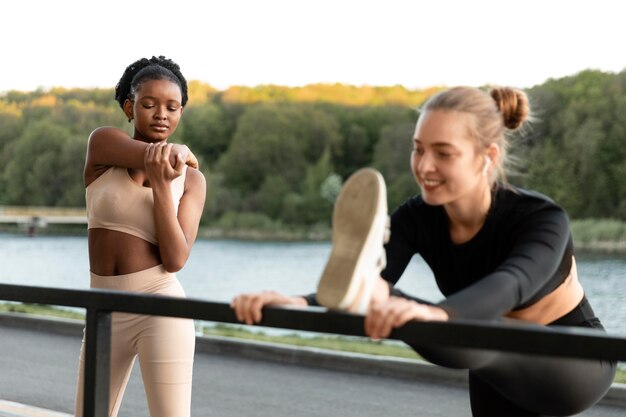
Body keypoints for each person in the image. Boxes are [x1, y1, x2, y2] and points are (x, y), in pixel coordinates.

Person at [231, 86, 616, 416]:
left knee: (425, 317)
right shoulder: (417, 217)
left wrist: (435, 313)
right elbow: (366, 283)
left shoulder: (541, 218)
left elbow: (511, 283)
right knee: (388, 299)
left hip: (573, 356)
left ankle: (411, 311)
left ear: (489, 157)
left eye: (444, 153)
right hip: (480, 348)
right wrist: (296, 302)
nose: (425, 166)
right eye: (418, 150)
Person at [74, 56, 206, 417]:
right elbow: (151, 157)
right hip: (103, 310)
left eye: (172, 107)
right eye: (149, 105)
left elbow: (176, 259)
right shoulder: (103, 146)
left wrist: (165, 188)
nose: (161, 114)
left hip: (161, 307)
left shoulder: (192, 181)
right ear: (130, 107)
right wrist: (172, 156)